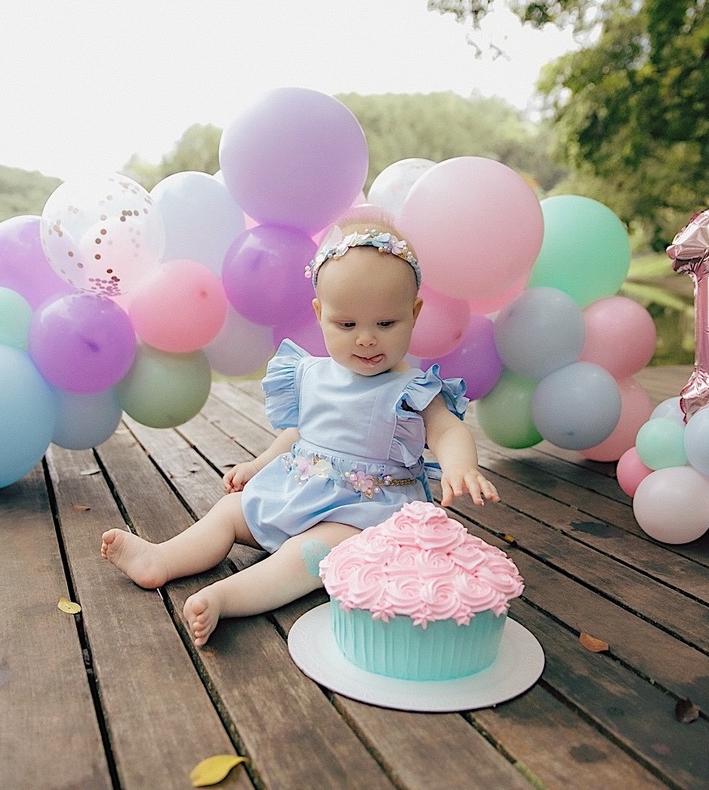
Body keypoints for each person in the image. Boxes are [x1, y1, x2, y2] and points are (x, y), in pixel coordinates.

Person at [101, 210, 499, 646]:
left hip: (363, 515)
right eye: (346, 324)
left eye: (385, 323)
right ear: (320, 312)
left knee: (305, 556)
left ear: (414, 312)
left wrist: (462, 466)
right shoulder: (311, 373)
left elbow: (446, 431)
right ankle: (161, 558)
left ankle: (225, 597)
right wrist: (259, 464)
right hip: (300, 490)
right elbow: (301, 435)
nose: (366, 338)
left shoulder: (412, 388)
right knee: (231, 514)